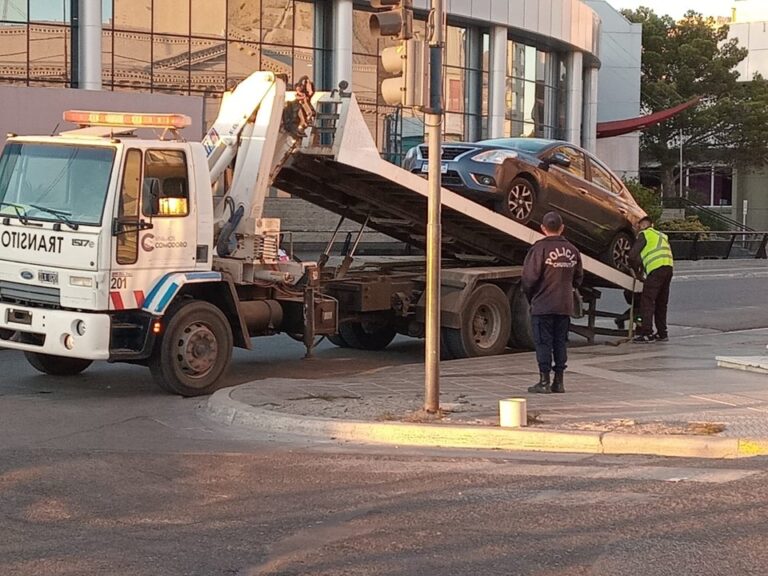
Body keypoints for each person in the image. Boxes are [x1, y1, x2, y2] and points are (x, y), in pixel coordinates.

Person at [522, 211, 584, 394]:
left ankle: (544, 381)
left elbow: (529, 278)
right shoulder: (573, 250)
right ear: (562, 227)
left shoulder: (539, 249)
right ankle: (559, 382)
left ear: (542, 228)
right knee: (560, 343)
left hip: (543, 305)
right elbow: (579, 278)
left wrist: (531, 297)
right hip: (564, 306)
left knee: (543, 343)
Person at [628, 216, 674, 343]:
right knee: (661, 302)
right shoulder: (662, 235)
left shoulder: (644, 234)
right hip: (668, 268)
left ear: (642, 226)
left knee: (647, 301)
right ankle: (662, 333)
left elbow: (632, 256)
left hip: (655, 269)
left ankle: (646, 333)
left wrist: (634, 269)